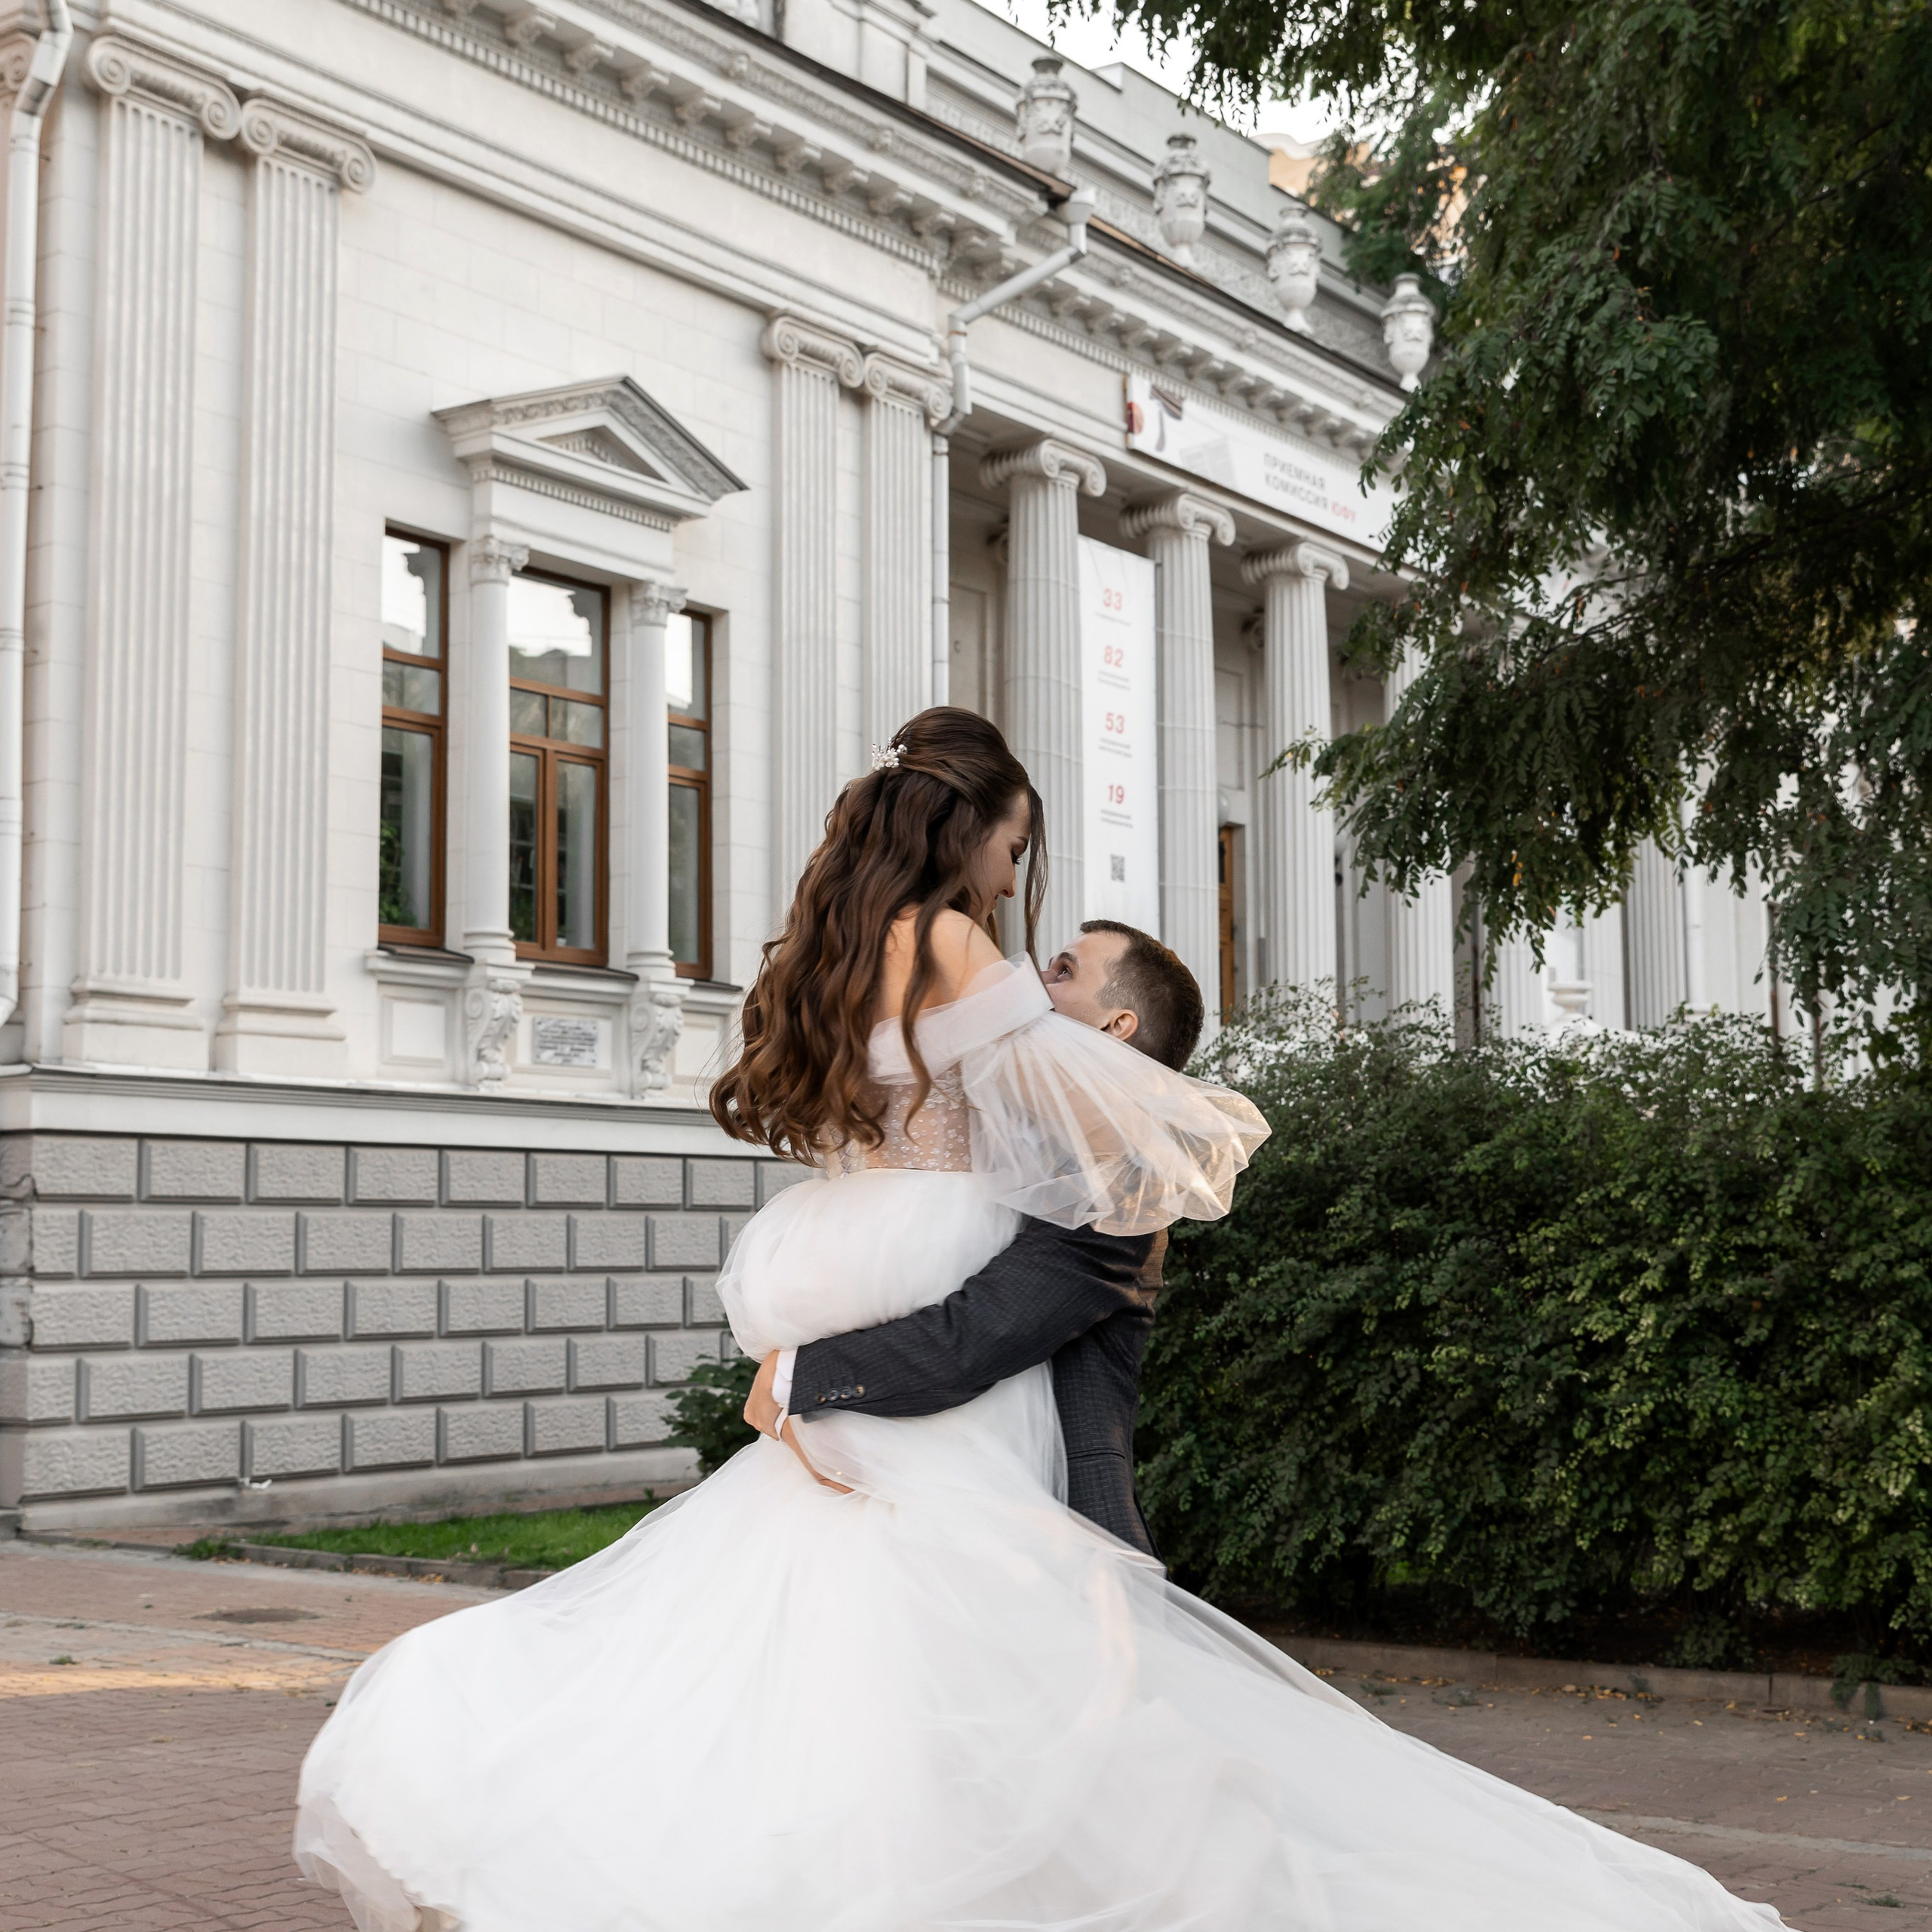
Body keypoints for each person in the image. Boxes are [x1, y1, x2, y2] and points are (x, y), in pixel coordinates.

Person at [293, 706, 1784, 1932]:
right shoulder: (952, 944)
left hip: (854, 1280)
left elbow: (937, 1109)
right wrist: (1195, 1115)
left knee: (833, 1632)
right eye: (1014, 849)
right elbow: (1059, 1102)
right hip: (920, 1305)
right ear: (971, 830)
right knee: (934, 1638)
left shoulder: (831, 944)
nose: (1017, 889)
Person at [745, 918, 1204, 1558]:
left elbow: (982, 1333)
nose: (1032, 981)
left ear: (1115, 1026)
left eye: (1063, 972)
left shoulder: (1120, 1175)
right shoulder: (1016, 1133)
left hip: (1060, 1548)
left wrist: (796, 1375)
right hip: (944, 1508)